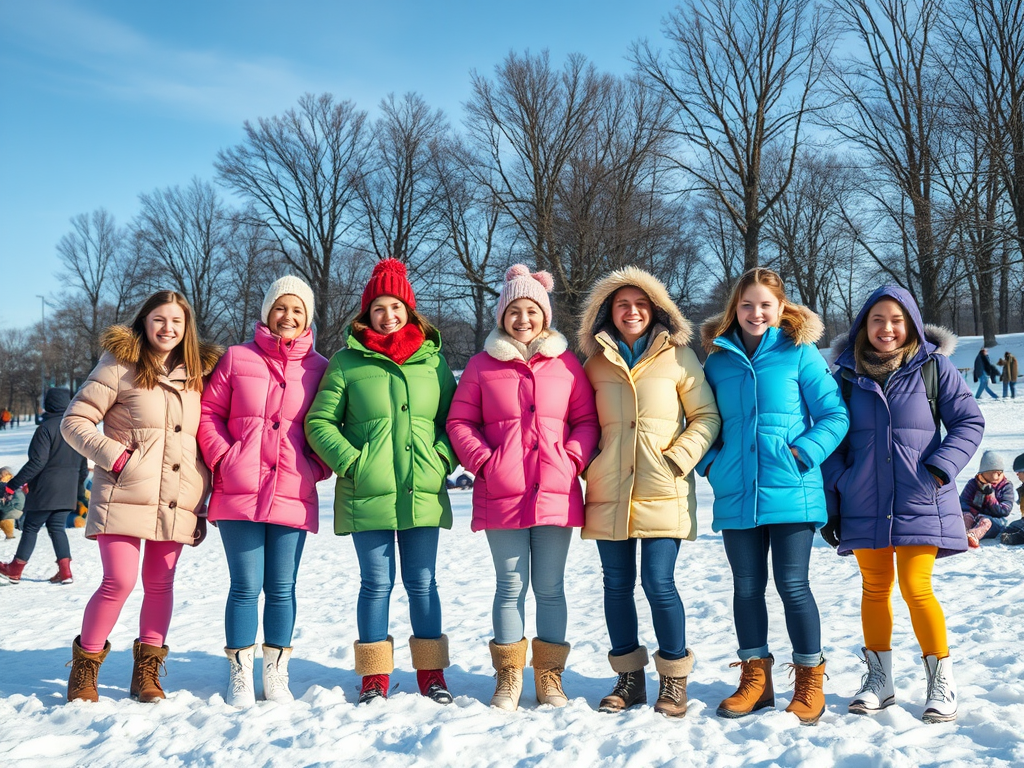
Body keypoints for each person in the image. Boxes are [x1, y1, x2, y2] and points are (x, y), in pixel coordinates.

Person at [823, 285, 984, 724]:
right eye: (877, 320)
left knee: (916, 587)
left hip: (921, 499)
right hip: (864, 501)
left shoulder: (935, 367)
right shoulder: (844, 375)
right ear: (863, 326)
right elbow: (831, 436)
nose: (887, 328)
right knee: (874, 589)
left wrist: (939, 469)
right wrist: (840, 483)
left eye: (896, 320)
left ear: (910, 322)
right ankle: (880, 681)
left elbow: (969, 421)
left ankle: (940, 681)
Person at [696, 267, 848, 726]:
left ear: (781, 309)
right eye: (747, 305)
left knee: (793, 586)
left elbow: (834, 414)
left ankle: (809, 681)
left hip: (793, 490)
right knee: (746, 588)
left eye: (765, 305)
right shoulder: (717, 360)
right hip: (737, 491)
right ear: (734, 309)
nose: (756, 312)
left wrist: (803, 454)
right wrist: (712, 466)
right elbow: (704, 419)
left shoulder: (799, 353)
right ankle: (756, 681)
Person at [305, 258, 457, 705]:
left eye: (395, 307)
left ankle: (432, 674)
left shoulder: (433, 363)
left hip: (421, 490)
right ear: (366, 315)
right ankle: (375, 677)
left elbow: (456, 421)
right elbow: (320, 423)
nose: (388, 316)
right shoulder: (347, 363)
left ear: (409, 311)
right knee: (376, 584)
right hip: (365, 493)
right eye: (378, 309)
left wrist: (440, 459)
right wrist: (352, 463)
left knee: (423, 582)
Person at [447, 265, 599, 711]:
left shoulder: (567, 365)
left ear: (545, 315)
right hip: (503, 492)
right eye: (515, 310)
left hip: (555, 490)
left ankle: (549, 676)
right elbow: (460, 422)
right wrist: (484, 461)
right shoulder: (481, 364)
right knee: (509, 585)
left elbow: (587, 422)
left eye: (532, 309)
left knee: (550, 587)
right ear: (502, 316)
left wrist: (572, 458)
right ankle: (509, 675)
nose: (524, 318)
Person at [60, 291, 221, 703]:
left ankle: (146, 673)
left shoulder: (200, 375)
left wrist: (202, 497)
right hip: (123, 491)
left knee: (161, 583)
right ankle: (85, 669)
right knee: (119, 580)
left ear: (187, 328)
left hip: (177, 499)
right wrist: (115, 457)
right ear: (144, 322)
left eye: (176, 321)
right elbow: (75, 420)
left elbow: (203, 440)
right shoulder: (119, 365)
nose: (168, 328)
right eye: (159, 320)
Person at [577, 266, 720, 718]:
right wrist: (587, 461)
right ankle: (629, 679)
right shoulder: (595, 362)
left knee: (659, 583)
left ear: (656, 310)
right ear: (608, 312)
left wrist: (678, 458)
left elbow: (707, 417)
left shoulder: (680, 357)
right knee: (616, 586)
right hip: (609, 488)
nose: (632, 311)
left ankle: (674, 679)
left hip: (665, 486)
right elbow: (579, 420)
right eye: (622, 304)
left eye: (640, 304)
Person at [199, 276, 330, 707]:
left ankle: (275, 672)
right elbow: (208, 413)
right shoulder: (238, 358)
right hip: (240, 490)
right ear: (267, 312)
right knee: (244, 585)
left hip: (293, 491)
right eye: (280, 308)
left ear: (307, 317)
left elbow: (332, 426)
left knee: (282, 586)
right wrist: (225, 458)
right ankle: (240, 671)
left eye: (297, 310)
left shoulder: (320, 368)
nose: (287, 316)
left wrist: (314, 468)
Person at [0, 389, 87, 584]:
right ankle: (65, 572)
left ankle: (15, 569)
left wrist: (12, 485)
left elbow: (37, 462)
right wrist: (78, 492)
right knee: (57, 527)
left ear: (49, 404)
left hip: (46, 489)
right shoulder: (76, 430)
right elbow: (83, 470)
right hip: (68, 492)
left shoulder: (46, 428)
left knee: (31, 526)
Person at [959, 450, 1014, 547]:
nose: (998, 475)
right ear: (984, 473)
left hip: (995, 520)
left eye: (1000, 472)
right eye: (994, 472)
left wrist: (990, 496)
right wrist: (972, 513)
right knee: (965, 517)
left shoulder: (1006, 486)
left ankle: (973, 536)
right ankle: (961, 535)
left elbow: (1005, 510)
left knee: (985, 522)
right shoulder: (973, 484)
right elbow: (963, 502)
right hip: (974, 516)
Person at [1000, 452, 1024, 545]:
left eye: (1019, 472)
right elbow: (1015, 497)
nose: (1017, 475)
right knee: (1011, 527)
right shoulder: (1022, 489)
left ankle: (1019, 537)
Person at [0, 466, 26, 539]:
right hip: (21, 509)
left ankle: (10, 534)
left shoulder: (3, 485)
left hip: (12, 509)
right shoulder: (17, 483)